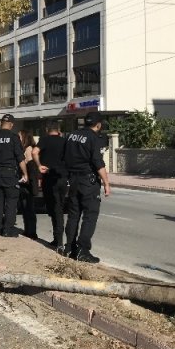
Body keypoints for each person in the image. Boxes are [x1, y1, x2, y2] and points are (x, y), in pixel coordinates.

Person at [62, 112, 110, 263]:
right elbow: (98, 162)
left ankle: (69, 248)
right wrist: (106, 183)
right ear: (98, 124)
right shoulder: (94, 138)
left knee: (73, 215)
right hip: (88, 182)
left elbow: (64, 157)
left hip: (73, 180)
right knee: (90, 216)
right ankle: (83, 250)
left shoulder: (71, 135)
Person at [0, 114, 28, 237]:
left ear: (0, 123)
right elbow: (20, 158)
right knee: (11, 202)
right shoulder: (14, 138)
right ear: (12, 124)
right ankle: (8, 229)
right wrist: (25, 173)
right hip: (10, 173)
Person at [33, 121, 68, 248]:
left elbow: (34, 152)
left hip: (49, 178)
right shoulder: (65, 141)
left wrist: (39, 166)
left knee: (54, 209)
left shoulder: (45, 140)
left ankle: (58, 241)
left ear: (48, 129)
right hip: (63, 178)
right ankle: (57, 238)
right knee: (59, 208)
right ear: (59, 130)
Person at [17, 130, 39, 239]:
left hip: (29, 183)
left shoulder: (29, 149)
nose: (18, 138)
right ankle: (28, 230)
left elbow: (31, 167)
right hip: (25, 182)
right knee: (25, 207)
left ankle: (32, 232)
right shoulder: (24, 149)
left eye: (19, 136)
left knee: (29, 207)